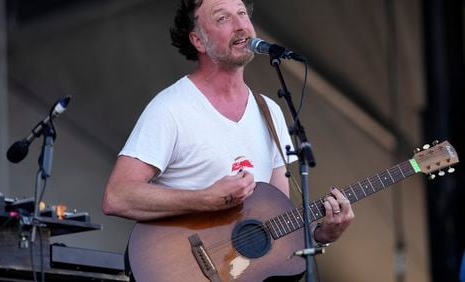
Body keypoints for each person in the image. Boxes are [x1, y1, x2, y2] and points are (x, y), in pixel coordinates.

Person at [102, 0, 354, 280]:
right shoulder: (171, 108)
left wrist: (320, 235)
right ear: (198, 40)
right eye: (223, 18)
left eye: (242, 13)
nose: (240, 25)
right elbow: (117, 197)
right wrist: (205, 199)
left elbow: (276, 220)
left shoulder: (269, 111)